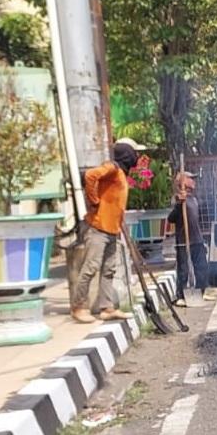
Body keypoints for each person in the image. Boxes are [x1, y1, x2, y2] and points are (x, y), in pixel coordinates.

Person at [72, 138, 143, 324]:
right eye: (134, 153)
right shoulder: (112, 168)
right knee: (90, 268)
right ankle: (78, 307)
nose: (136, 157)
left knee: (108, 270)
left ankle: (107, 308)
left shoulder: (120, 173)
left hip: (112, 229)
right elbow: (90, 176)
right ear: (127, 153)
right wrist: (94, 200)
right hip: (98, 227)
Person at [167, 171, 209, 306]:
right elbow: (171, 218)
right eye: (191, 179)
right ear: (183, 181)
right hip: (183, 240)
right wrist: (180, 204)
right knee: (183, 269)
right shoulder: (177, 199)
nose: (194, 181)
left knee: (201, 267)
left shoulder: (193, 199)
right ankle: (181, 295)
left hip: (196, 239)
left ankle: (201, 292)